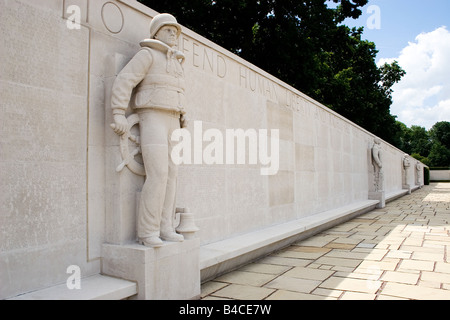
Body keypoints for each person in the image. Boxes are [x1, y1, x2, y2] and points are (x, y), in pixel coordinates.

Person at [111, 13, 186, 247]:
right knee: (158, 174)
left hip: (173, 121)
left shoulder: (176, 63)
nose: (174, 33)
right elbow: (125, 80)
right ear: (156, 32)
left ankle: (166, 227)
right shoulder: (148, 55)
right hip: (152, 117)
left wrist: (185, 115)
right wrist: (117, 112)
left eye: (175, 30)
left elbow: (180, 93)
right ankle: (148, 230)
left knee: (172, 175)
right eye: (168, 29)